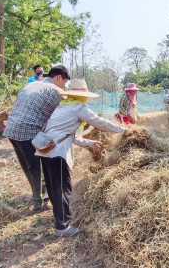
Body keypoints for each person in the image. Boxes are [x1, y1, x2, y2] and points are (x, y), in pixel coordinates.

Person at [33, 79, 132, 237]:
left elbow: (66, 135)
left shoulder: (61, 107)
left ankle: (59, 220)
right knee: (63, 189)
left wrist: (89, 143)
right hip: (57, 153)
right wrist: (122, 130)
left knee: (53, 188)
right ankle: (63, 227)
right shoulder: (78, 107)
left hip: (46, 150)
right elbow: (100, 122)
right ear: (82, 95)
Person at [3, 65, 70, 211]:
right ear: (58, 77)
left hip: (12, 130)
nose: (64, 86)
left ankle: (37, 196)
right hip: (29, 132)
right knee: (38, 167)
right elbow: (67, 114)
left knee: (29, 167)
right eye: (65, 82)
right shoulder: (56, 92)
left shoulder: (31, 85)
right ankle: (40, 202)